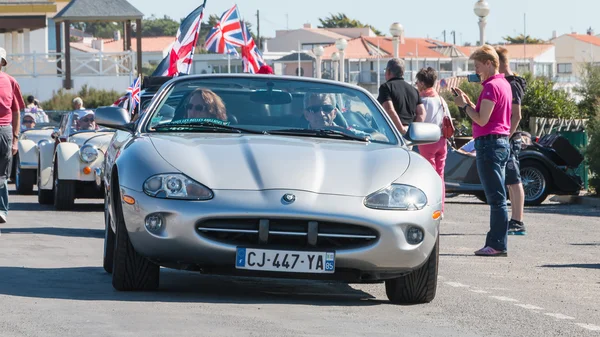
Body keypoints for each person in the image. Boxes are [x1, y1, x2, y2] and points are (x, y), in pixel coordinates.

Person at [452, 44, 512, 257]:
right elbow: (489, 115)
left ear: (488, 63)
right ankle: (497, 242)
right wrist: (469, 103)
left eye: (478, 65)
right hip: (501, 142)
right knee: (499, 196)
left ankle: (496, 244)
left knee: (496, 198)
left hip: (490, 144)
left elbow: (481, 119)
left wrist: (463, 106)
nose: (476, 70)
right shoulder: (503, 84)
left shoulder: (491, 87)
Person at [496, 46, 528, 236]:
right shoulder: (506, 82)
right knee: (510, 180)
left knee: (514, 179)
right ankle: (515, 219)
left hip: (510, 137)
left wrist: (506, 136)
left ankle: (518, 220)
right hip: (507, 136)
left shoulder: (512, 84)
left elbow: (516, 115)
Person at [414, 67, 450, 213]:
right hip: (442, 140)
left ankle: (431, 209)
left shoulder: (422, 101)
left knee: (429, 175)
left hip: (427, 140)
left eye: (417, 82)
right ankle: (440, 209)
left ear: (422, 83)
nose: (416, 84)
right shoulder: (441, 100)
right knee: (440, 175)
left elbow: (419, 120)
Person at [0, 47, 25, 224]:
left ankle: (1, 210)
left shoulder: (10, 81)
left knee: (2, 174)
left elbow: (16, 112)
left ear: (3, 62)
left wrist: (16, 139)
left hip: (4, 131)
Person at [377, 58, 426, 135]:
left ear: (388, 71)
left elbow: (389, 109)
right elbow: (422, 113)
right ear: (402, 73)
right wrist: (412, 131)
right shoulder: (414, 90)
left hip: (393, 134)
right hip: (410, 136)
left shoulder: (386, 87)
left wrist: (401, 130)